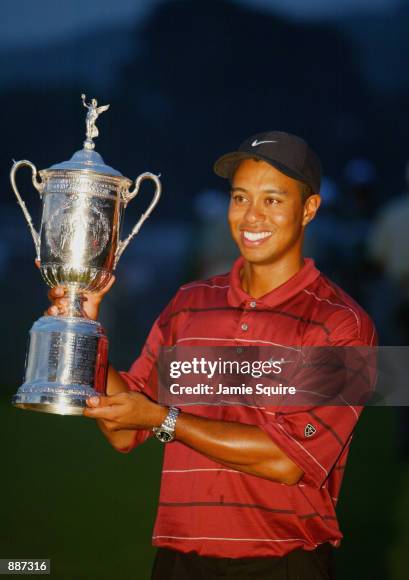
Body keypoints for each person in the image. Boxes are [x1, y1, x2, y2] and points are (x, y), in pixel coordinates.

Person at [46, 131, 376, 580]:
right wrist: (85, 327)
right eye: (240, 197)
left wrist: (163, 420)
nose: (251, 216)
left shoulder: (346, 325)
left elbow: (287, 461)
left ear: (309, 210)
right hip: (179, 559)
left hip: (284, 564)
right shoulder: (188, 303)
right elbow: (123, 429)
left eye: (273, 201)